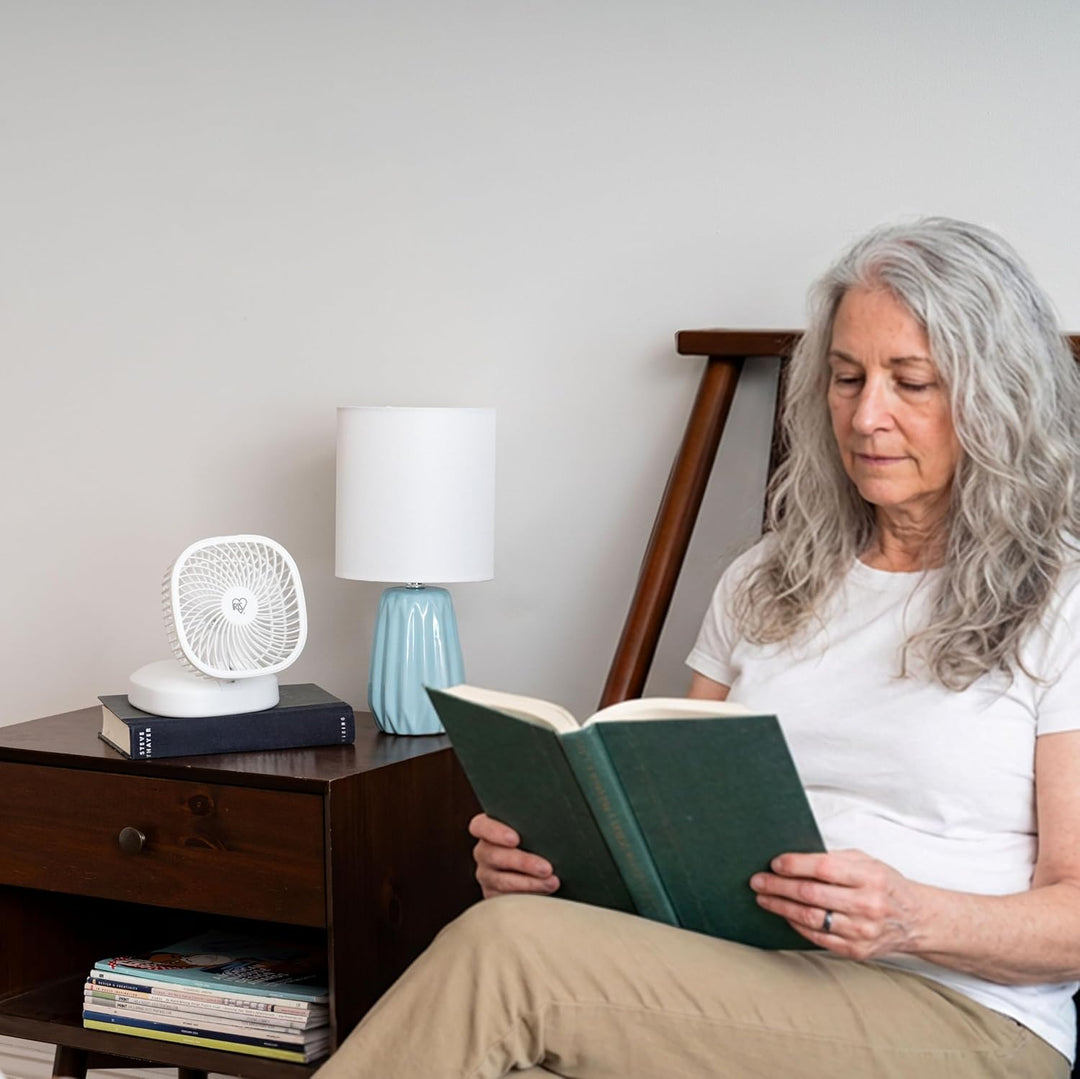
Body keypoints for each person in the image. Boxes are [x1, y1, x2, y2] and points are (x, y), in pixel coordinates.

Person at [314, 218, 1080, 1078]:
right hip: (742, 974)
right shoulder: (765, 580)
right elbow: (659, 803)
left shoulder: (1065, 603)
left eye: (912, 382)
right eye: (845, 377)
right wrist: (552, 864)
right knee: (509, 959)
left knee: (512, 958)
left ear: (998, 395)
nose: (867, 416)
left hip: (961, 1012)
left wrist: (914, 916)